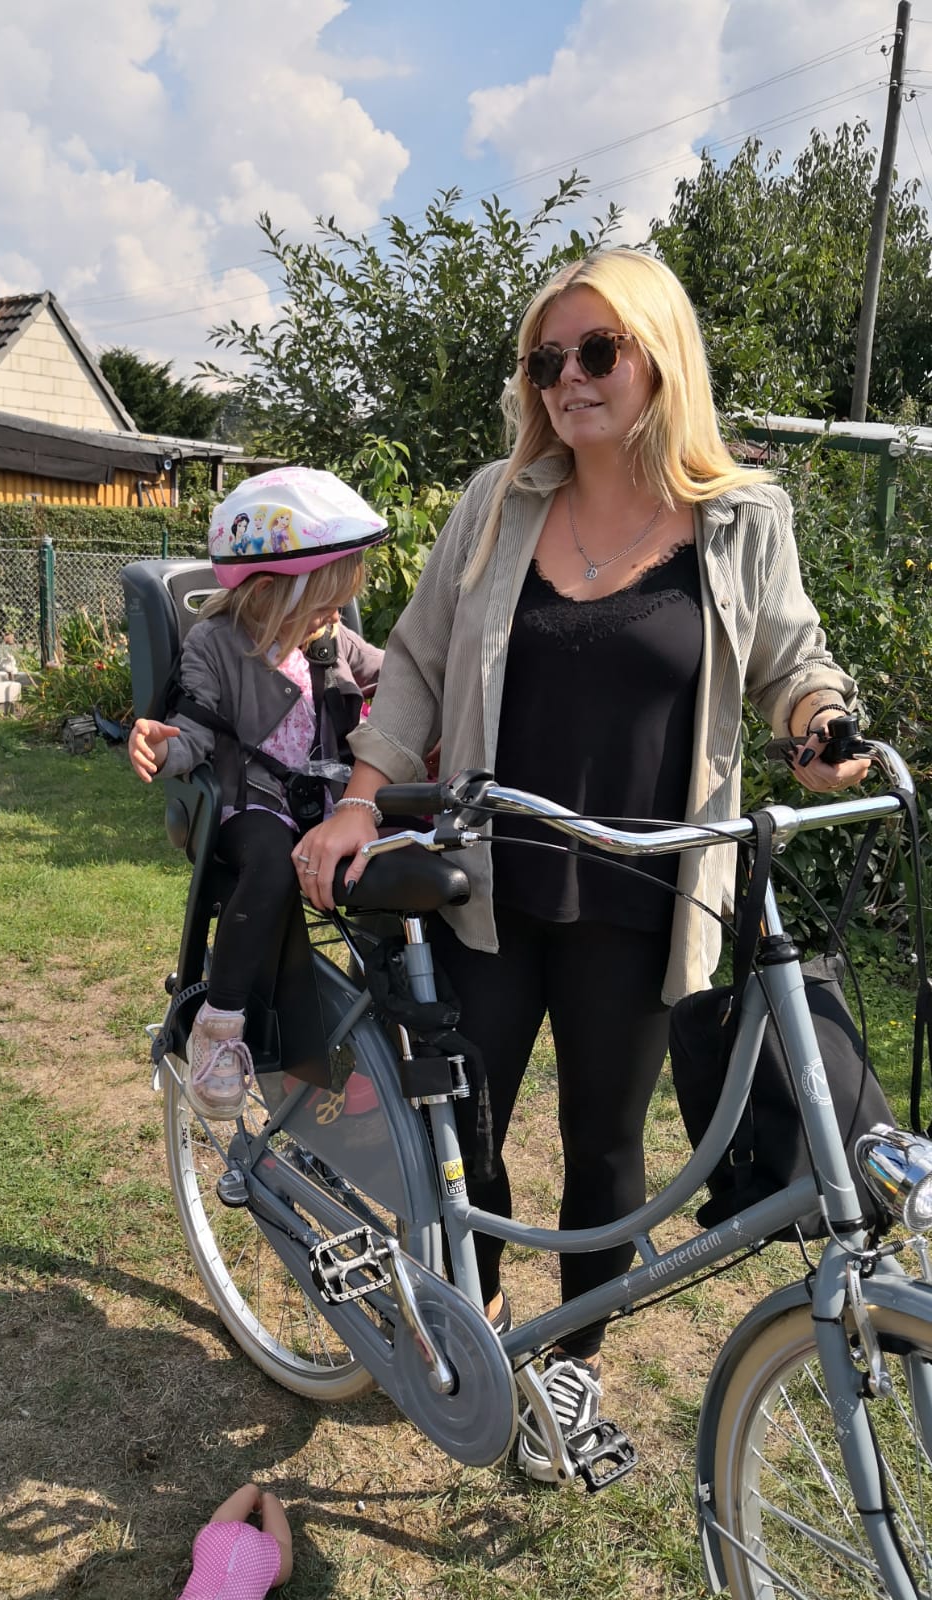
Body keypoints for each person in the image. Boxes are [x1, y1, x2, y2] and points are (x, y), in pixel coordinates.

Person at [295, 247, 870, 1467]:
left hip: (645, 888)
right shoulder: (498, 503)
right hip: (488, 877)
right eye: (547, 359)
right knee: (471, 1127)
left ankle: (574, 1364)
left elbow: (790, 661)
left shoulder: (739, 518)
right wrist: (359, 797)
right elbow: (416, 662)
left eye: (596, 351)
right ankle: (475, 1313)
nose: (569, 379)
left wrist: (818, 726)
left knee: (607, 1144)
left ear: (660, 357)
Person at [129, 466, 388, 1121]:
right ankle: (222, 1027)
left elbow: (403, 682)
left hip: (329, 802)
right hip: (253, 804)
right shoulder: (216, 647)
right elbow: (192, 729)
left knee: (407, 856)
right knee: (271, 861)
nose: (332, 618)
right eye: (322, 603)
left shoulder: (329, 641)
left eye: (337, 606)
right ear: (271, 590)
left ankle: (373, 1032)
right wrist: (163, 748)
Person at [177, 1483, 292, 1599]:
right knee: (218, 1523)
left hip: (259, 1558)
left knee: (283, 1548)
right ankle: (253, 1493)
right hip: (216, 1541)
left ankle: (270, 1502)